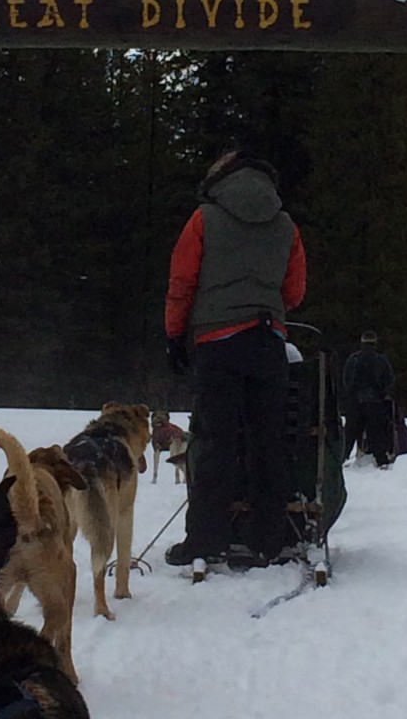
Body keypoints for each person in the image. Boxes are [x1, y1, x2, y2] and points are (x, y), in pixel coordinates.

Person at [163, 149, 306, 568]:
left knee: (214, 442)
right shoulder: (286, 225)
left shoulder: (203, 219)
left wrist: (176, 334)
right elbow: (294, 291)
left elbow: (182, 280)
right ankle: (270, 538)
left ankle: (206, 540)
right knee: (268, 443)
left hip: (216, 340)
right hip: (267, 340)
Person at [342, 330, 396, 468]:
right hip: (375, 403)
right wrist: (382, 395)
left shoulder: (353, 359)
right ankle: (381, 461)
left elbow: (346, 381)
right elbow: (389, 381)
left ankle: (340, 459)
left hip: (355, 403)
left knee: (349, 434)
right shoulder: (381, 359)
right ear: (375, 342)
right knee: (377, 434)